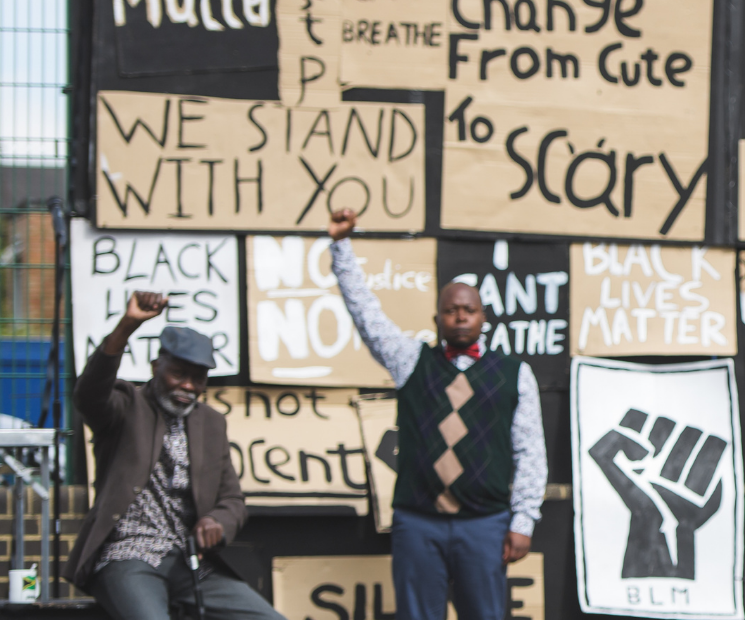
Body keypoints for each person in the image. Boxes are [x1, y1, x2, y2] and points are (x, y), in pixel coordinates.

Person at [325, 209, 546, 620]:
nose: (460, 316)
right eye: (451, 310)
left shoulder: (515, 374)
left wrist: (523, 521)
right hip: (418, 523)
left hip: (485, 523)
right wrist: (341, 246)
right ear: (437, 318)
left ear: (483, 318)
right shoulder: (411, 360)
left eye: (469, 310)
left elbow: (530, 450)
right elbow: (367, 315)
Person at [67, 292, 285, 620]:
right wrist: (127, 327)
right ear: (156, 367)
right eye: (178, 374)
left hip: (190, 561)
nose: (188, 386)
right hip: (128, 555)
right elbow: (89, 394)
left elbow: (232, 500)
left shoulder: (211, 423)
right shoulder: (127, 406)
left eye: (198, 379)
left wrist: (217, 522)